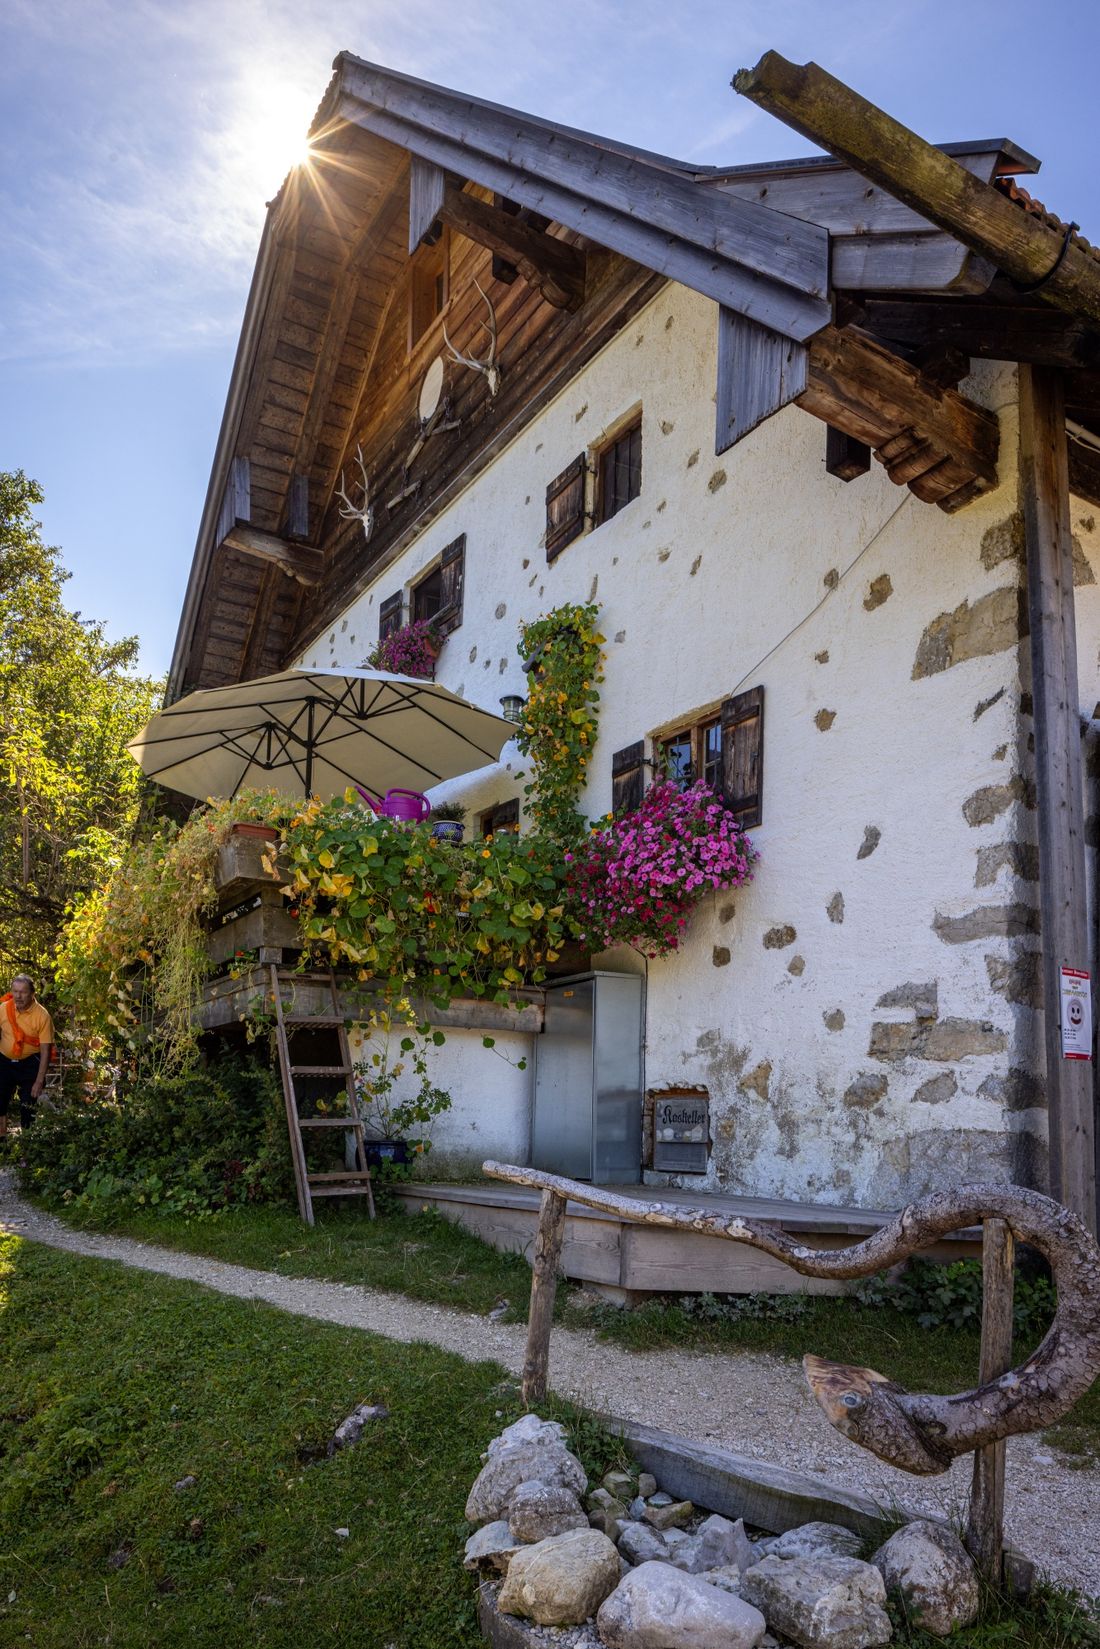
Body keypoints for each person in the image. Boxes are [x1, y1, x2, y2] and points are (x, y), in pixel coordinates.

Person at [0, 974, 54, 1137]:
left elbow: (46, 1050)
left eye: (23, 992)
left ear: (32, 994)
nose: (18, 996)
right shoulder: (3, 1009)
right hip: (4, 1061)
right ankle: (2, 1145)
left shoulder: (42, 1016)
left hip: (30, 1063)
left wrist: (39, 1081)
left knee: (28, 1106)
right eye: (15, 991)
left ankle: (27, 1144)